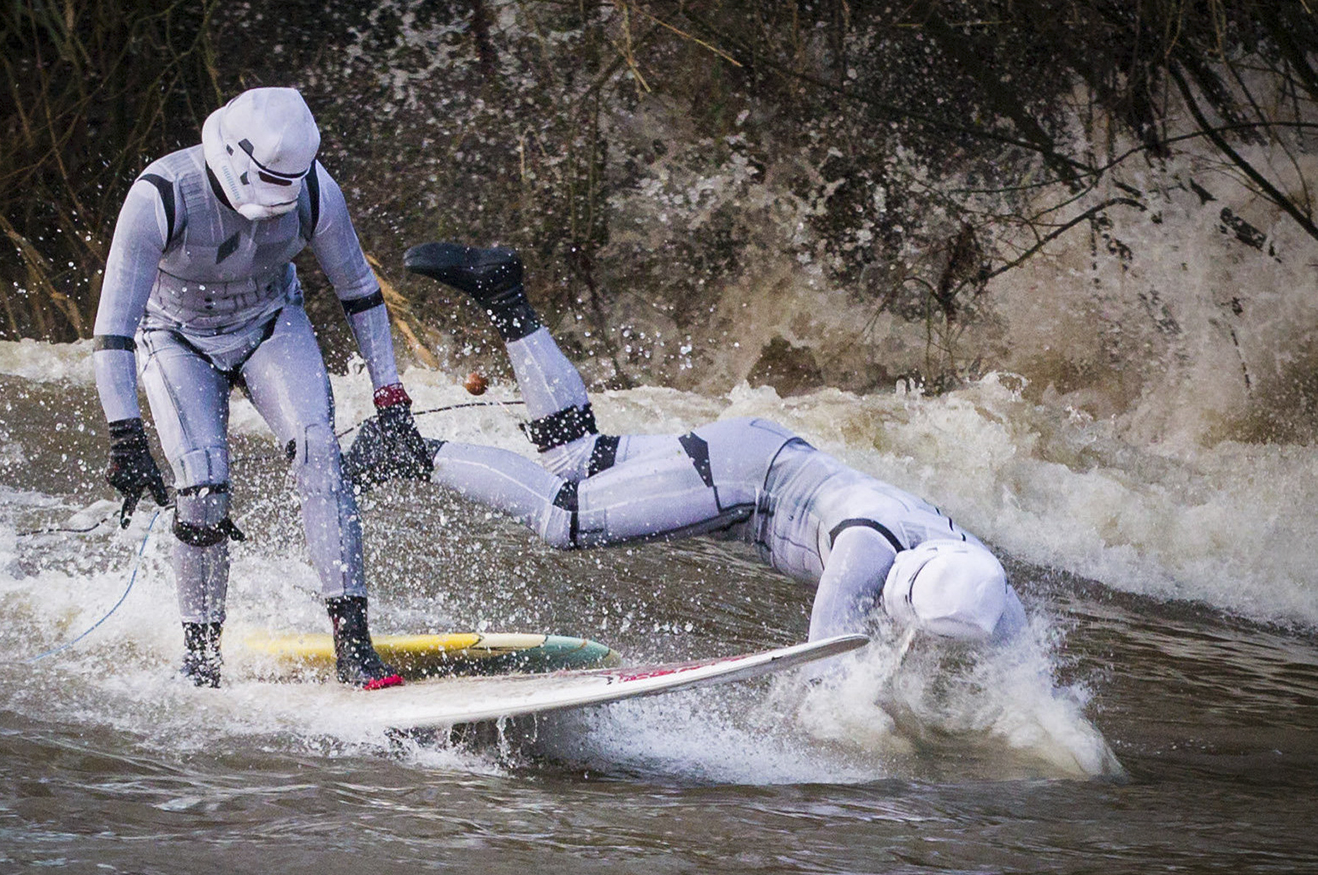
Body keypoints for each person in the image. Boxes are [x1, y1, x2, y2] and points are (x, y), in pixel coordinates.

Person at [344, 242, 1028, 649]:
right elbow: (827, 659)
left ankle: (503, 294)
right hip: (744, 479)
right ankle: (409, 449)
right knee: (564, 517)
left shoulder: (985, 585)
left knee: (576, 459)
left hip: (765, 455)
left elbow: (1027, 672)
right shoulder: (866, 551)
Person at [91, 87, 427, 689]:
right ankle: (201, 662)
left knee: (321, 452)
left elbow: (360, 293)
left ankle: (354, 646)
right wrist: (125, 434)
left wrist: (392, 398)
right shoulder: (159, 197)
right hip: (175, 337)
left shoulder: (317, 191)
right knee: (202, 482)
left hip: (271, 322)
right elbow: (113, 330)